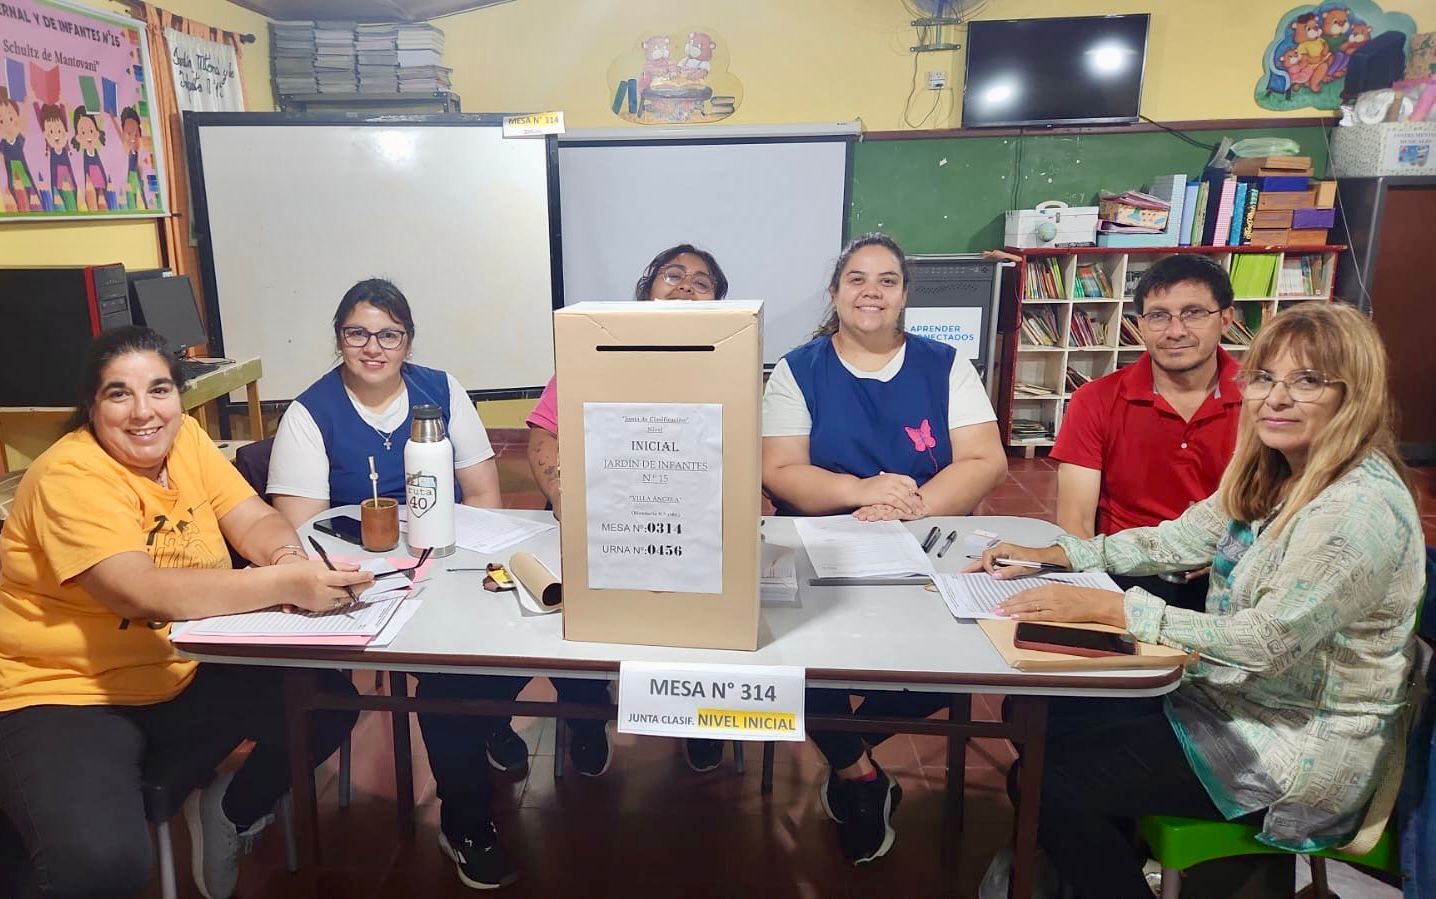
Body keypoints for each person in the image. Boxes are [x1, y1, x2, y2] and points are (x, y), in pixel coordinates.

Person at [971, 302, 1423, 899]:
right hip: (1230, 703)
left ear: (1354, 395)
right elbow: (1179, 539)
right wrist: (1067, 555)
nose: (1276, 398)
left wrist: (1119, 611)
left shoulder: (1354, 511)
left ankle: (1087, 862)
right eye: (1263, 378)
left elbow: (1264, 642)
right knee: (1048, 718)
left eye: (1307, 380)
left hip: (1294, 747)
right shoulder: (1276, 468)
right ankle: (1084, 857)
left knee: (1050, 779)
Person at [0, 326, 364, 899]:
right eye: (119, 394)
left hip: (178, 667)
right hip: (66, 693)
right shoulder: (69, 475)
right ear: (91, 407)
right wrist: (279, 584)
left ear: (180, 396)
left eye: (160, 390)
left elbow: (252, 517)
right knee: (103, 865)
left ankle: (230, 809)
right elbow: (135, 591)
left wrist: (286, 555)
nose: (144, 412)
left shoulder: (186, 440)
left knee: (326, 702)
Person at [268, 277, 529, 889]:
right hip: (366, 582)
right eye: (357, 333)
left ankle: (489, 715)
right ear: (339, 340)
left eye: (390, 334)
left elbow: (485, 496)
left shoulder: (441, 390)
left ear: (408, 341)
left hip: (453, 559)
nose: (374, 347)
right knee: (445, 673)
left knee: (523, 625)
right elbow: (301, 533)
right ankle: (465, 820)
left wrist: (463, 561)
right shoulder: (311, 413)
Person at [762, 232, 1007, 864]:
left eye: (887, 280)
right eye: (857, 279)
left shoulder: (946, 365)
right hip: (822, 542)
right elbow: (782, 470)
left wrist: (908, 505)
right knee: (795, 656)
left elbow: (984, 459)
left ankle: (848, 750)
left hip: (927, 538)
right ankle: (860, 776)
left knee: (957, 657)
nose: (872, 291)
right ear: (836, 293)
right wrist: (858, 491)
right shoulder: (798, 368)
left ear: (904, 295)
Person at [526, 242, 734, 775]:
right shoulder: (591, 356)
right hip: (597, 523)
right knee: (570, 610)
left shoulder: (729, 367)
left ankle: (697, 714)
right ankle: (587, 713)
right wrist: (567, 501)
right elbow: (544, 440)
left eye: (701, 282)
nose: (686, 285)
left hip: (689, 529)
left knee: (709, 594)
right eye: (672, 275)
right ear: (645, 293)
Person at [1053, 253, 1241, 611]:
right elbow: (1074, 520)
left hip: (1227, 573)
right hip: (1124, 572)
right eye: (1158, 316)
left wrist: (1226, 557)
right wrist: (1092, 596)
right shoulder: (1095, 400)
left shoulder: (1263, 402)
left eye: (1194, 313)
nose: (1175, 331)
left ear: (1226, 319)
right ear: (1140, 323)